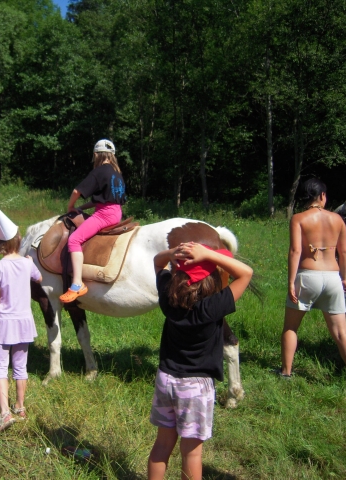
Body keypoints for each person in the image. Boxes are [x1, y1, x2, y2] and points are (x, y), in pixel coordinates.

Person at [148, 241, 252, 480]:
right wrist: (209, 255)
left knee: (162, 445)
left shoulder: (168, 297)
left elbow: (158, 262)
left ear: (177, 274)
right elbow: (246, 273)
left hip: (166, 379)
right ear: (211, 281)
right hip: (195, 387)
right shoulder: (212, 307)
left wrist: (172, 253)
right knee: (191, 453)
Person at [280, 178, 346, 398]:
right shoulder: (337, 219)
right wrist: (344, 279)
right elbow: (344, 252)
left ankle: (286, 373)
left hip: (307, 276)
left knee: (291, 327)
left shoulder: (298, 218)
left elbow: (295, 251)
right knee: (341, 333)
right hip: (332, 277)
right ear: (322, 195)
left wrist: (291, 281)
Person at [0, 205, 42, 435]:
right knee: (20, 366)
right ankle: (20, 406)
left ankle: (4, 413)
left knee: (0, 367)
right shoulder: (27, 263)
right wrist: (29, 262)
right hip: (23, 322)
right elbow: (39, 278)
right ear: (18, 240)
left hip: (3, 323)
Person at [59, 139, 126, 303]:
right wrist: (82, 207)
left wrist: (71, 206)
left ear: (96, 155)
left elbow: (77, 191)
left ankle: (77, 284)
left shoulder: (100, 171)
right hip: (116, 212)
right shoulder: (116, 173)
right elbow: (104, 199)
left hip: (104, 215)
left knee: (74, 240)